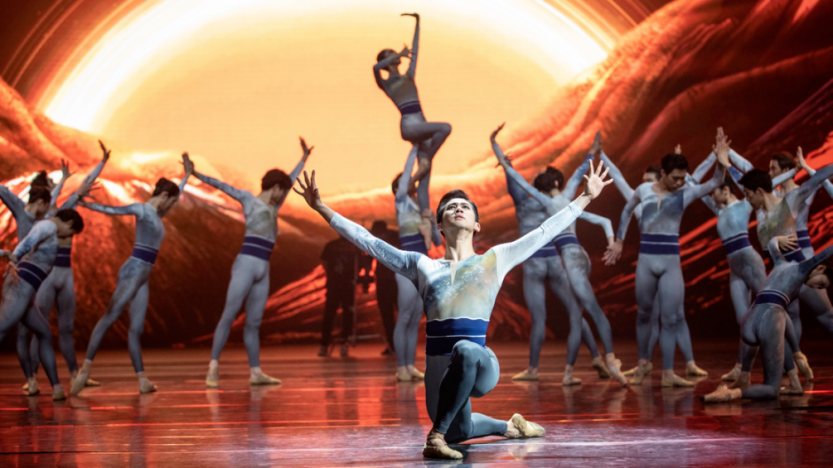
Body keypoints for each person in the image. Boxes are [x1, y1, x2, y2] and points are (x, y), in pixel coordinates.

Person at [293, 158, 612, 460]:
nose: (458, 208)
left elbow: (545, 232)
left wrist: (585, 197)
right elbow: (368, 241)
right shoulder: (422, 266)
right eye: (450, 207)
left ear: (477, 225)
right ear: (440, 226)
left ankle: (435, 438)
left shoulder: (495, 259)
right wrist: (321, 207)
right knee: (460, 432)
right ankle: (510, 427)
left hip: (482, 366)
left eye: (465, 207)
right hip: (439, 373)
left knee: (465, 351)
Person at [494, 127, 624, 385]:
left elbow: (515, 180)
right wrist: (592, 153)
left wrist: (501, 157)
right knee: (577, 312)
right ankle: (593, 360)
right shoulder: (563, 200)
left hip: (544, 260)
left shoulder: (532, 200)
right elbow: (577, 177)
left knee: (563, 314)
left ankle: (538, 369)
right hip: (559, 258)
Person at [607, 147, 730, 386]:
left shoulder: (685, 193)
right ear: (663, 173)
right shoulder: (643, 190)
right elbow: (627, 209)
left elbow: (715, 182)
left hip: (670, 264)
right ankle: (643, 364)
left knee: (670, 319)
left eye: (683, 178)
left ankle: (668, 374)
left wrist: (721, 163)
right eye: (676, 178)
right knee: (644, 315)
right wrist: (619, 240)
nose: (680, 182)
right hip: (646, 261)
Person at [71, 153, 193, 396]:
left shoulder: (158, 215)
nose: (172, 205)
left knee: (136, 329)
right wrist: (82, 202)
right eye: (170, 201)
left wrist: (187, 175)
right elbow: (111, 210)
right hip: (133, 271)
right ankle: (84, 372)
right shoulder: (142, 210)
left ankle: (142, 380)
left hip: (143, 276)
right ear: (164, 196)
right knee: (109, 317)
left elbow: (175, 193)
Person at [195, 138, 312, 388]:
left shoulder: (274, 206)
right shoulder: (250, 200)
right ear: (275, 187)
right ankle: (213, 368)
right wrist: (194, 173)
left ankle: (256, 373)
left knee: (254, 323)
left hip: (262, 267)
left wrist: (303, 159)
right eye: (282, 190)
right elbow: (222, 186)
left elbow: (289, 180)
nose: (283, 195)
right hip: (246, 264)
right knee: (229, 315)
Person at [19, 141, 110, 391]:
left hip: (65, 274)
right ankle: (32, 378)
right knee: (41, 328)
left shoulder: (66, 212)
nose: (53, 188)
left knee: (67, 328)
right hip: (47, 277)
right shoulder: (41, 219)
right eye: (50, 186)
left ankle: (75, 376)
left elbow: (85, 185)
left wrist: (102, 162)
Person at [702, 239, 833, 402]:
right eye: (820, 283)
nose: (815, 287)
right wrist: (796, 351)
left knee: (780, 327)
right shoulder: (802, 269)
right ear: (820, 268)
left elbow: (772, 246)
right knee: (772, 389)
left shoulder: (780, 263)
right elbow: (825, 253)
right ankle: (728, 394)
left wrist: (776, 240)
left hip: (750, 320)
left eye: (820, 288)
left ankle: (752, 377)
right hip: (769, 318)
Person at [0, 209, 85, 400]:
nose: (67, 238)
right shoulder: (47, 226)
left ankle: (57, 388)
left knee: (44, 333)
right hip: (20, 286)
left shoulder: (50, 229)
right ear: (69, 223)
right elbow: (28, 241)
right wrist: (13, 258)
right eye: (70, 234)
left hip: (27, 291)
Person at [374, 12, 451, 215]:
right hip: (410, 125)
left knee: (424, 183)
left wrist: (418, 23)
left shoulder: (408, 76)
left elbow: (415, 51)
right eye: (391, 54)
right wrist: (398, 55)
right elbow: (375, 67)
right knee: (445, 128)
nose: (396, 54)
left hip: (422, 125)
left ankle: (426, 216)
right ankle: (423, 166)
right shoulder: (386, 84)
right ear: (387, 61)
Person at [391, 147, 439, 381]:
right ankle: (401, 367)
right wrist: (413, 150)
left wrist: (432, 221)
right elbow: (408, 175)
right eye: (406, 181)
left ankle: (409, 366)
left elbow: (436, 241)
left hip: (423, 265)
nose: (411, 182)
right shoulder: (401, 203)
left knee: (415, 318)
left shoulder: (420, 208)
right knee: (404, 316)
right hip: (407, 264)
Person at [319, 234, 360, 357]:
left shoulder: (353, 247)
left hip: (346, 285)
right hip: (338, 284)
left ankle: (340, 343)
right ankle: (327, 344)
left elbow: (324, 261)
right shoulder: (336, 245)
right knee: (333, 314)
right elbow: (324, 261)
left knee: (342, 315)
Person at [370, 220, 398, 355]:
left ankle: (393, 345)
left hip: (386, 281)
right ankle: (403, 345)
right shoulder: (397, 236)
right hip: (398, 280)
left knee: (387, 315)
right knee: (402, 314)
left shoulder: (376, 238)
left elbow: (368, 258)